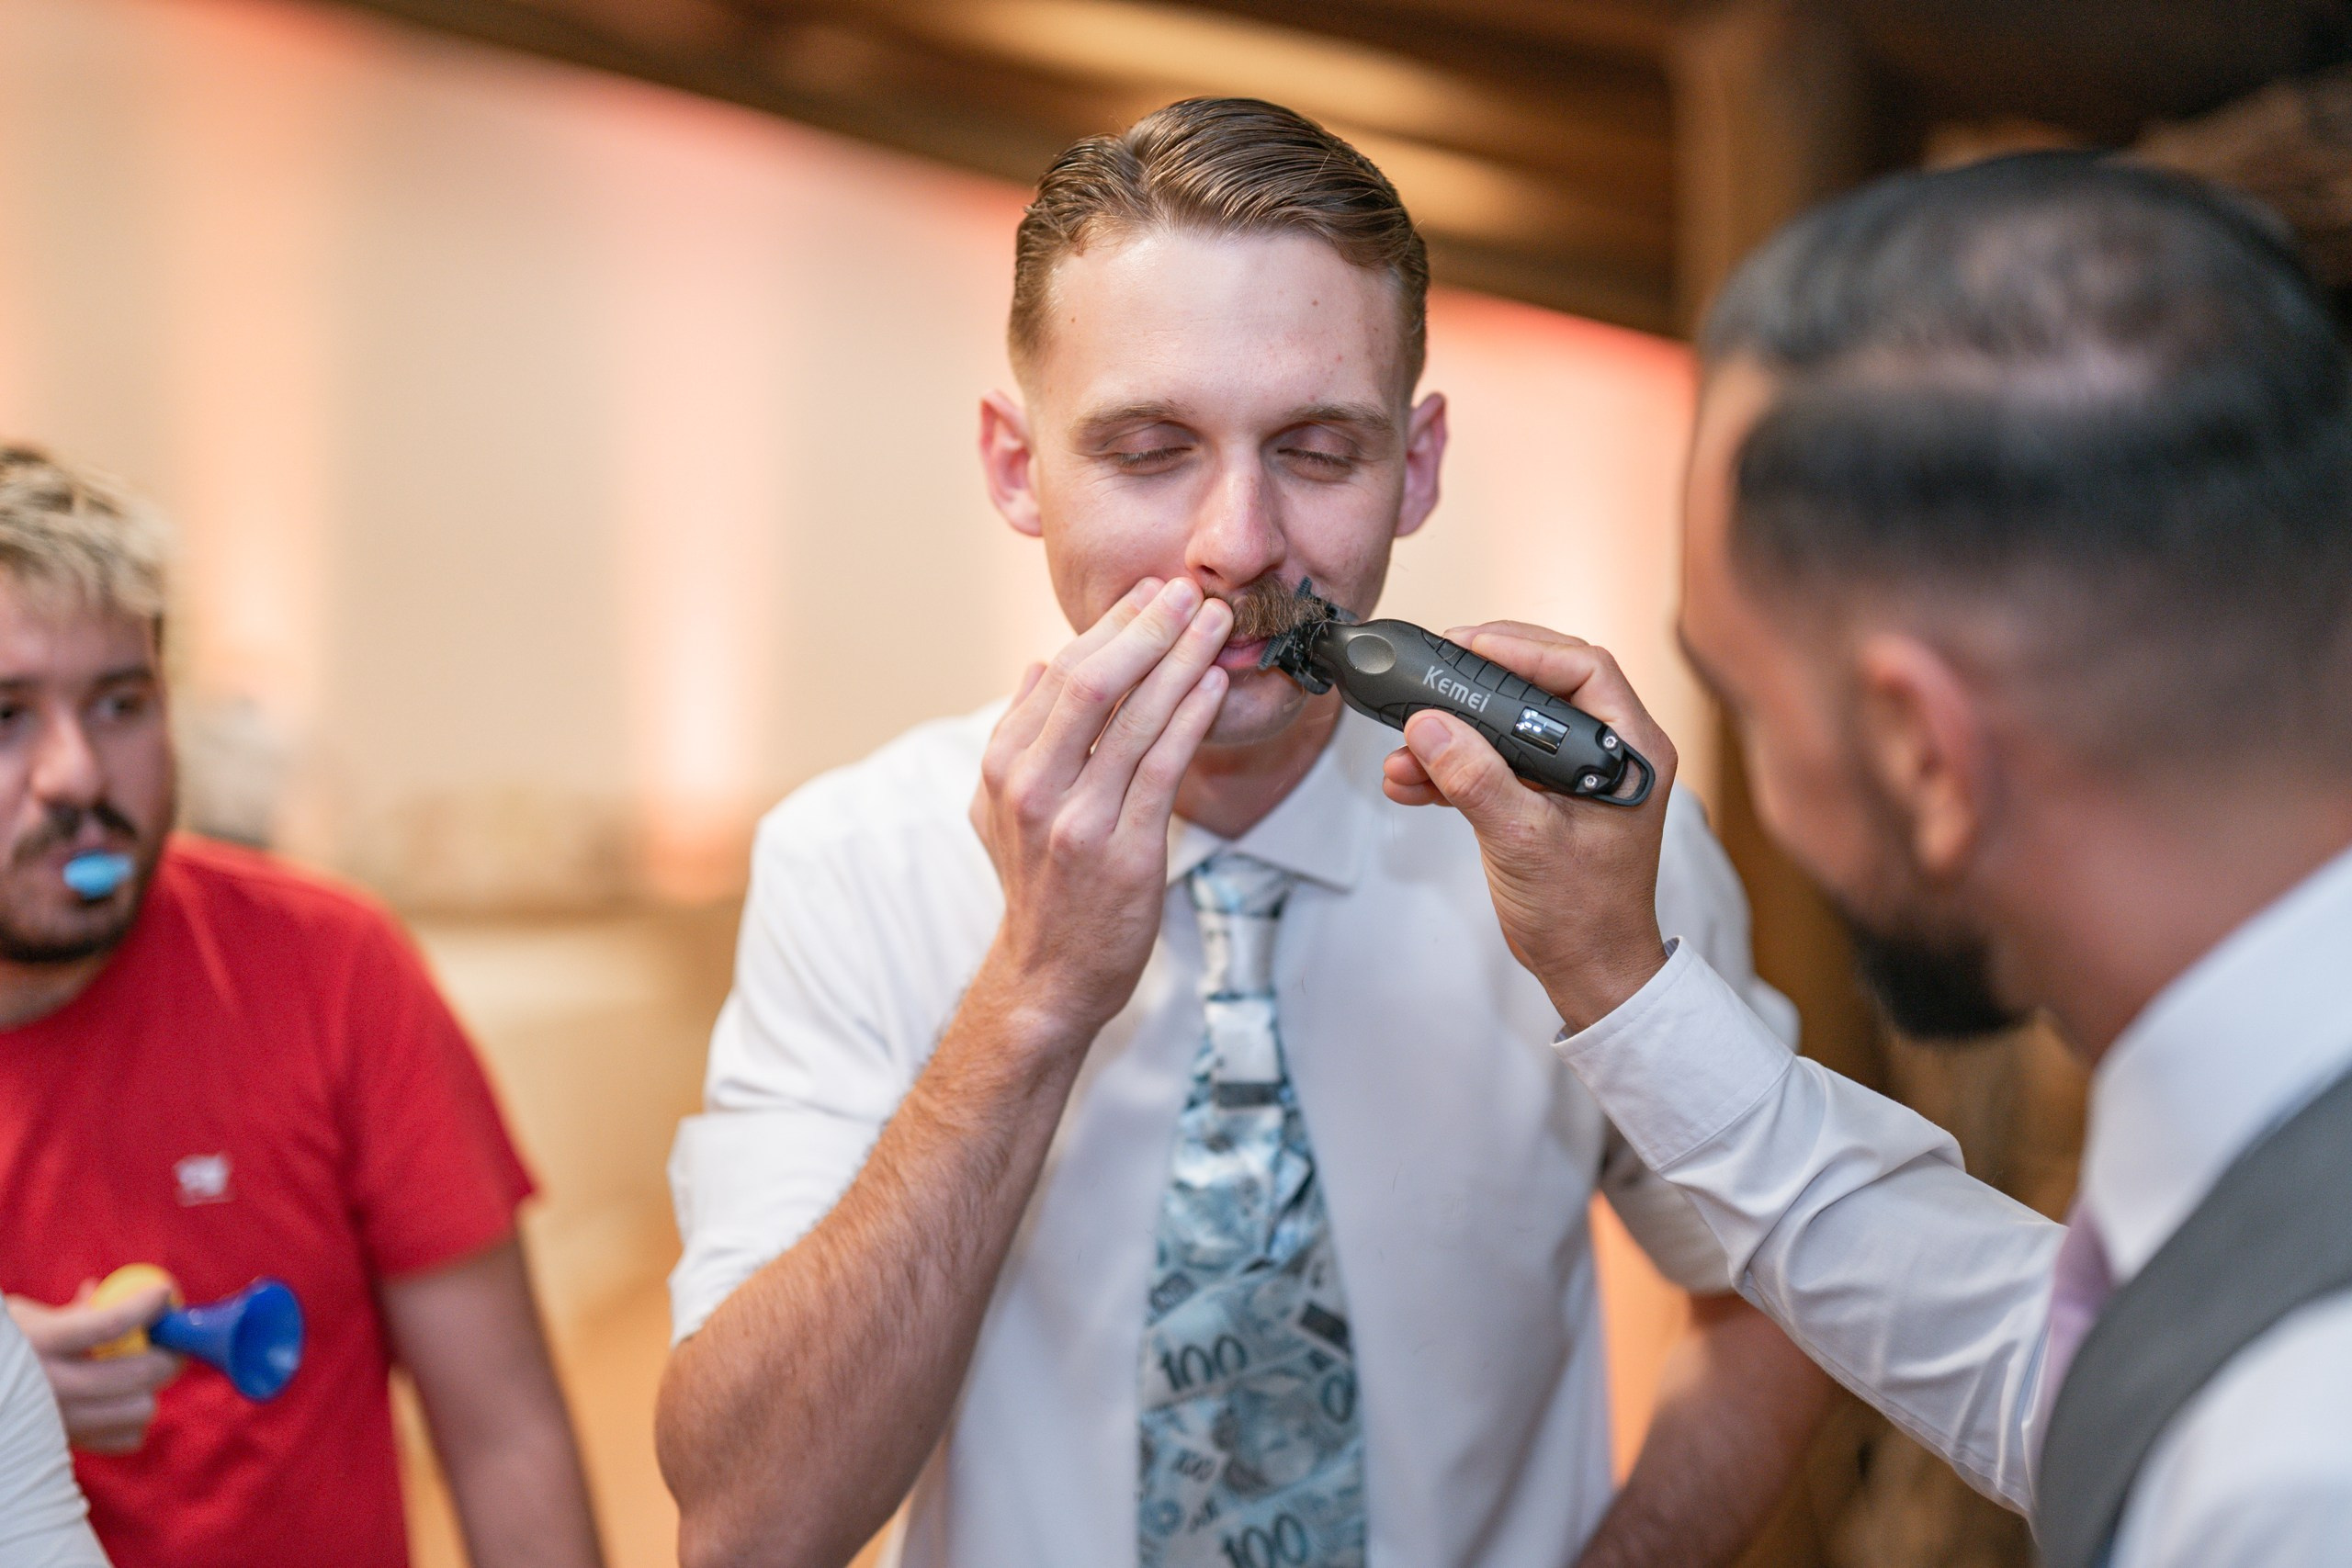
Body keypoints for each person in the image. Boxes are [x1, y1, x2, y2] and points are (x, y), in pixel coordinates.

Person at [655, 97, 1832, 1568]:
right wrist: (1032, 997)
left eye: (1318, 449)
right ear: (1016, 465)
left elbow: (1788, 1288)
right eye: (1150, 449)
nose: (1240, 543)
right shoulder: (852, 863)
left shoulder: (1584, 845)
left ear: (1417, 463)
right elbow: (750, 1527)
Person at [1390, 152, 2352, 1567]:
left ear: (1923, 758)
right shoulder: (2260, 1259)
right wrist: (1618, 979)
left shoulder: (2293, 1468)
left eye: (1750, 707)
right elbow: (2064, 1370)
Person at [0, 446, 605, 1568]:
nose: (76, 775)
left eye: (121, 704)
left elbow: (504, 1435)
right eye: (5, 717)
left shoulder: (330, 968)